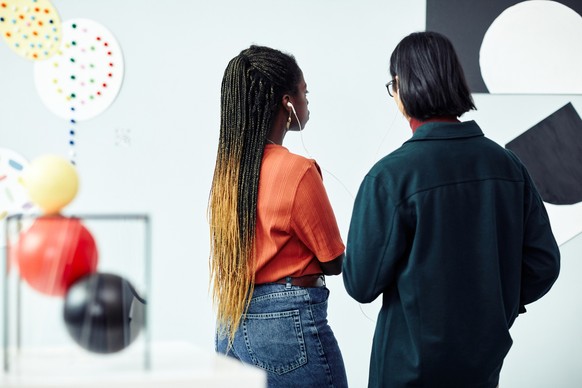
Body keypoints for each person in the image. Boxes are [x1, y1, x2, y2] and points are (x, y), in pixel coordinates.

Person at [343, 31, 560, 388]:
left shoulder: (390, 176)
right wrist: (494, 303)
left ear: (403, 86)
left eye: (392, 84)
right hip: (481, 369)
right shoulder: (508, 166)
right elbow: (543, 264)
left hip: (407, 372)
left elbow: (361, 283)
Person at [208, 45, 348, 388]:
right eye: (304, 92)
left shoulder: (228, 175)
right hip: (287, 322)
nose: (307, 100)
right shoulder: (297, 171)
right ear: (287, 103)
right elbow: (333, 261)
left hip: (232, 320)